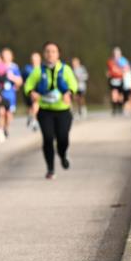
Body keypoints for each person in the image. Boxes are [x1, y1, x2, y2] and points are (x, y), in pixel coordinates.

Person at [23, 42, 78, 179]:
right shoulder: (38, 71)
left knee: (63, 139)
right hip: (45, 111)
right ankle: (50, 169)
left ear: (58, 54)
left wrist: (68, 93)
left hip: (63, 111)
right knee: (47, 138)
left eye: (53, 51)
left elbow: (73, 84)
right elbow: (28, 85)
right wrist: (31, 92)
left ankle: (63, 155)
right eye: (47, 51)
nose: (50, 54)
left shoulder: (65, 70)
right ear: (44, 54)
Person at [0, 48, 23, 140]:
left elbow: (20, 81)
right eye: (4, 54)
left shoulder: (14, 67)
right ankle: (0, 130)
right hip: (1, 93)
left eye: (7, 55)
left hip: (10, 94)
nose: (5, 57)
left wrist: (12, 77)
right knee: (1, 112)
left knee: (8, 114)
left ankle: (5, 128)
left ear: (11, 56)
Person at [106, 47, 129, 114]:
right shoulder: (110, 61)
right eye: (115, 53)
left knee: (120, 94)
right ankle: (114, 108)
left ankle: (120, 107)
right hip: (113, 79)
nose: (116, 55)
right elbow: (109, 70)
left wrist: (122, 71)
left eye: (118, 53)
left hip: (120, 79)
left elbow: (127, 68)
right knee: (114, 93)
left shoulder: (122, 60)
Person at [23, 52, 41, 131]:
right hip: (30, 90)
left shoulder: (43, 68)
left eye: (36, 59)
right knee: (30, 107)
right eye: (33, 59)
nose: (35, 61)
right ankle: (31, 117)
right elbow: (23, 80)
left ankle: (35, 120)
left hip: (39, 90)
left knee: (35, 104)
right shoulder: (27, 68)